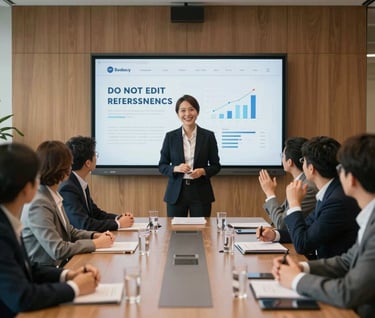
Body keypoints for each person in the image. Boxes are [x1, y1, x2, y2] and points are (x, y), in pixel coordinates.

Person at [272, 133, 375, 318]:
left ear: (351, 178)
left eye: (341, 168)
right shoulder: (368, 215)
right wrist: (302, 267)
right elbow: (346, 261)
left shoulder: (339, 201)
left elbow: (347, 293)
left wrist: (296, 280)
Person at [0, 143, 100, 318]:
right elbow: (22, 297)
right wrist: (75, 287)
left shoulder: (8, 222)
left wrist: (68, 275)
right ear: (27, 187)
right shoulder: (3, 231)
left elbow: (29, 269)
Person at [257, 136, 360, 259]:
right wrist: (275, 235)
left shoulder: (336, 200)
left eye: (303, 161)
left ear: (311, 169)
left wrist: (295, 203)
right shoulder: (330, 192)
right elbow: (306, 229)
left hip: (332, 270)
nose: (302, 165)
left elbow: (303, 244)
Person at [21, 140, 114, 267]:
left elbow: (69, 232)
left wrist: (95, 235)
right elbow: (57, 249)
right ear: (62, 168)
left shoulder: (52, 194)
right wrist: (96, 244)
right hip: (44, 275)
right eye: (69, 164)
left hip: (59, 267)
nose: (71, 168)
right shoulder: (39, 203)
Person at [158, 94, 221, 217]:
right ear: (178, 114)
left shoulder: (208, 136)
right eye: (183, 110)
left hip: (201, 193)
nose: (187, 114)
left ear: (197, 112)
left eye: (191, 109)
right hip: (176, 193)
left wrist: (202, 171)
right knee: (175, 232)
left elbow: (216, 166)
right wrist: (176, 168)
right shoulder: (170, 137)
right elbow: (162, 165)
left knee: (201, 231)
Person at [59, 136, 134, 232]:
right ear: (88, 163)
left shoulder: (79, 182)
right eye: (95, 154)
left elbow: (95, 213)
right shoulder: (68, 187)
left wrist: (119, 218)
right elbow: (83, 224)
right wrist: (118, 224)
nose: (96, 157)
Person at [259, 137, 317, 230]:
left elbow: (281, 224)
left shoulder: (306, 187)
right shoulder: (299, 182)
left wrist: (270, 193)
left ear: (289, 162)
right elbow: (281, 216)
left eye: (282, 156)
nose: (281, 159)